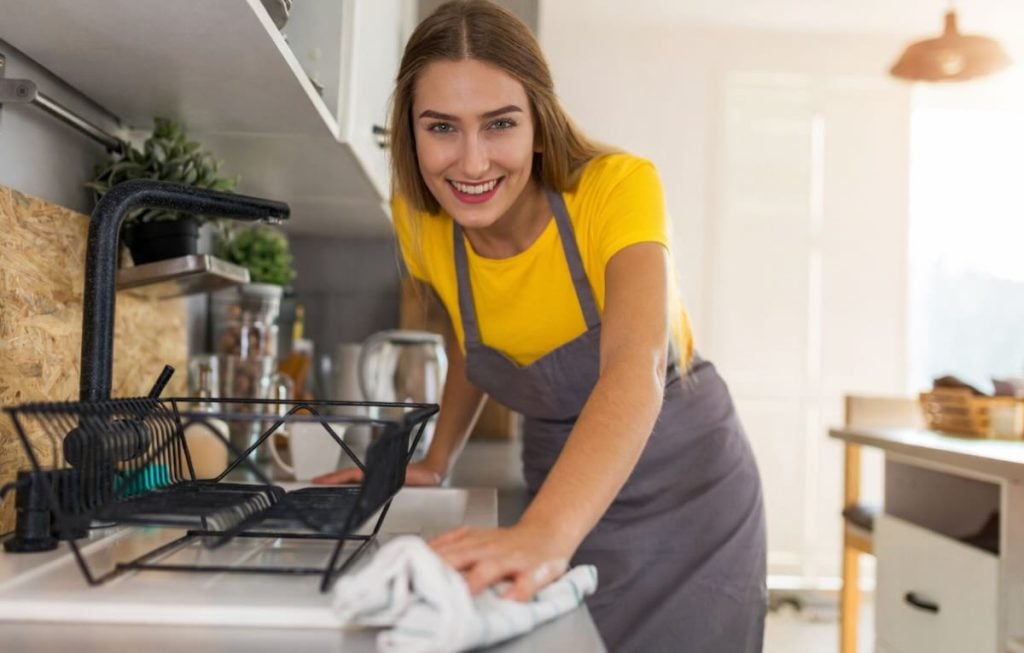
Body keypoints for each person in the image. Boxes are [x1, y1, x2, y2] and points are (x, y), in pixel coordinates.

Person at [314, 1, 767, 650]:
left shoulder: (616, 189)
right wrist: (436, 458)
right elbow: (470, 342)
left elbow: (634, 370)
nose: (471, 163)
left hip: (688, 492)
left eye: (499, 124)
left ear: (538, 122)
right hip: (561, 477)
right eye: (442, 127)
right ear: (411, 132)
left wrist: (545, 534)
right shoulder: (420, 220)